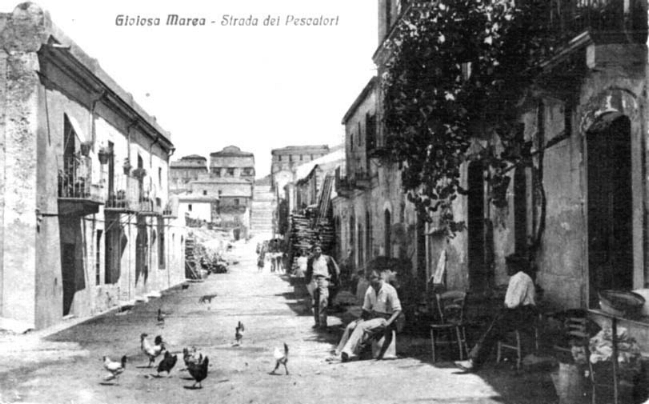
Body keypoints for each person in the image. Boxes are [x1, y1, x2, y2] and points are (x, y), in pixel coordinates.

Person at [455, 253, 537, 372]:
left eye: (508, 266)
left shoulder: (521, 278)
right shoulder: (516, 278)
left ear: (514, 266)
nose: (506, 269)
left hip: (524, 314)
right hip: (517, 313)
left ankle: (474, 361)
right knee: (491, 325)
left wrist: (505, 306)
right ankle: (474, 359)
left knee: (492, 328)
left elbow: (513, 303)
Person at [331, 267, 402, 362]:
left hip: (386, 318)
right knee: (351, 326)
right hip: (374, 317)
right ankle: (338, 352)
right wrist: (360, 319)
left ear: (380, 278)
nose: (372, 283)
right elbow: (366, 309)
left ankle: (347, 352)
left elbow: (398, 310)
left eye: (374, 279)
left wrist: (389, 322)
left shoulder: (389, 290)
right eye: (370, 280)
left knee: (362, 326)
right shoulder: (370, 289)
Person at [305, 244, 340, 329]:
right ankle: (317, 322)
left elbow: (336, 270)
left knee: (323, 300)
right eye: (315, 250)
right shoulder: (311, 260)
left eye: (319, 249)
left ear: (321, 250)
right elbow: (308, 271)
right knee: (315, 302)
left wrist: (333, 280)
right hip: (314, 280)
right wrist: (308, 282)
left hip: (324, 280)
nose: (317, 251)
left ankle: (323, 323)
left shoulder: (327, 259)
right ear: (312, 251)